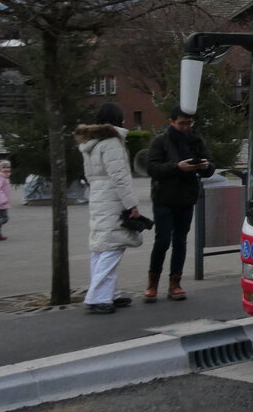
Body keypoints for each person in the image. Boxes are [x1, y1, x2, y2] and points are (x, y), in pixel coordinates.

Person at [76, 102, 142, 315]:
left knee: (101, 247)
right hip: (112, 197)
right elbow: (120, 177)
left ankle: (111, 293)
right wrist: (131, 205)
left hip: (97, 195)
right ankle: (97, 297)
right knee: (113, 248)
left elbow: (89, 175)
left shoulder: (90, 143)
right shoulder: (112, 142)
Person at [145, 106, 214, 301]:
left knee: (180, 241)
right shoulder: (160, 141)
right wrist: (177, 166)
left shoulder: (195, 140)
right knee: (162, 240)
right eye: (181, 123)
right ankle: (152, 283)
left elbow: (210, 166)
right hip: (164, 198)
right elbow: (152, 168)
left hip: (186, 198)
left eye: (189, 123)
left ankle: (175, 283)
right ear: (171, 122)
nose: (186, 127)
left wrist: (205, 166)